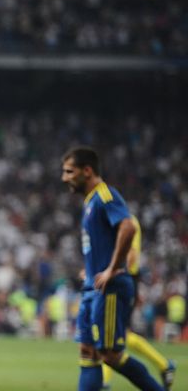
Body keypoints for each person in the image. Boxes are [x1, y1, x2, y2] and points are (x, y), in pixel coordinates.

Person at [61, 146, 165, 391]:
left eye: (69, 171)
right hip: (92, 287)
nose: (64, 177)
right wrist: (92, 269)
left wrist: (112, 268)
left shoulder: (105, 195)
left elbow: (128, 227)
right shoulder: (90, 202)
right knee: (88, 351)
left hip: (110, 288)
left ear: (87, 171)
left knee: (109, 354)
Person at [100, 216, 176, 390]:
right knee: (119, 333)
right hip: (125, 278)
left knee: (111, 332)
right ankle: (164, 365)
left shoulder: (125, 220)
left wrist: (115, 272)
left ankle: (105, 381)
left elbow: (132, 255)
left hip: (121, 278)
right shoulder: (124, 218)